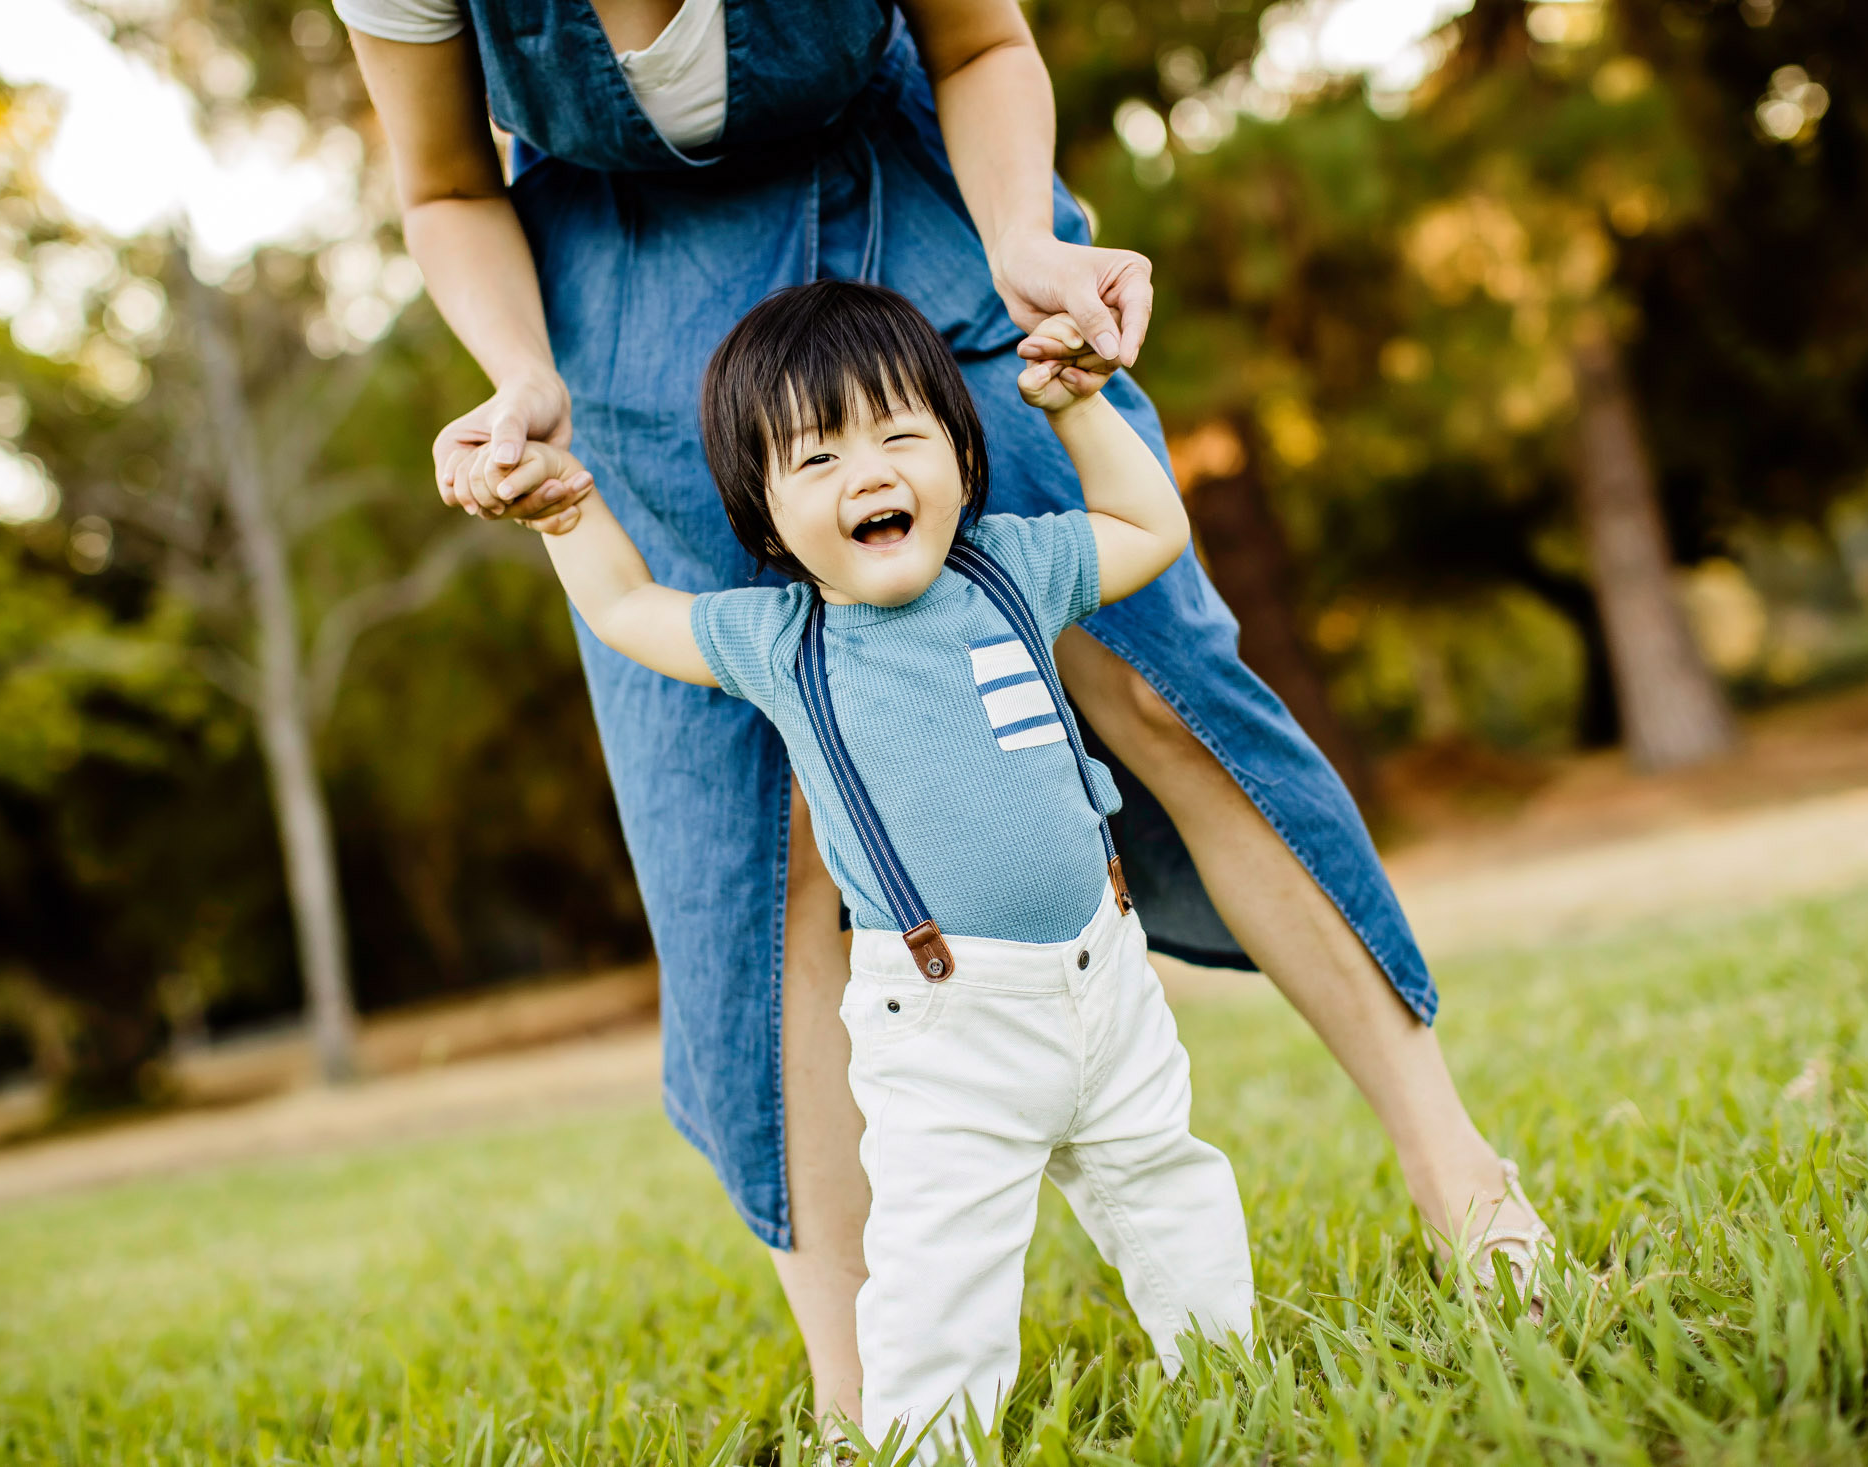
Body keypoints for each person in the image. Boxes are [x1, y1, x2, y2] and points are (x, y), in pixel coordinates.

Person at [340, 0, 1554, 1422]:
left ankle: (1463, 1177)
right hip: (622, 305)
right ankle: (869, 1396)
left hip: (927, 217)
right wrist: (522, 376)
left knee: (1166, 682)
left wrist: (1026, 242)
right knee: (738, 832)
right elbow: (441, 182)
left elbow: (982, 45)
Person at [511, 280, 1258, 1450]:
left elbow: (1150, 528)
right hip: (945, 1029)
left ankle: (1223, 1381)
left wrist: (1079, 409)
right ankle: (923, 1441)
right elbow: (626, 607)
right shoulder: (777, 641)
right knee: (939, 1269)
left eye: (902, 434)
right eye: (816, 460)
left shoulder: (1017, 570)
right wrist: (566, 515)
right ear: (762, 513)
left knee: (1167, 1180)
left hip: (1102, 979)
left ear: (963, 459)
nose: (869, 473)